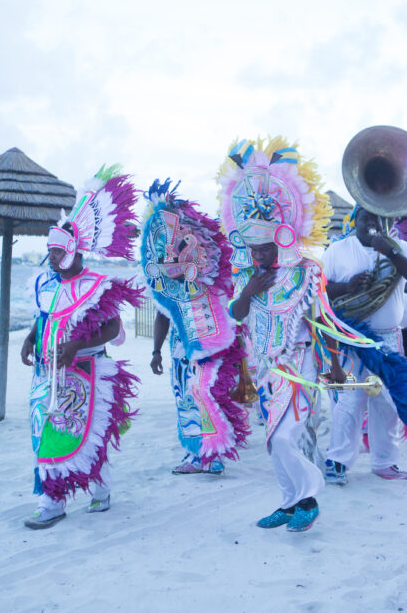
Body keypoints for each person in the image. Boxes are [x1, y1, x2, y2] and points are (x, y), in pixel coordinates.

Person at [218, 137, 362, 533]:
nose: (258, 255)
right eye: (253, 248)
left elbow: (322, 323)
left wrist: (333, 365)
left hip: (299, 363)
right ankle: (288, 502)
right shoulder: (246, 274)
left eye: (264, 248)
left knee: (286, 436)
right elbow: (235, 314)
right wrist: (250, 290)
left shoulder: (305, 272)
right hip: (263, 367)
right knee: (274, 439)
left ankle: (310, 498)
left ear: (281, 236)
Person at [19, 165, 142, 530]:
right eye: (49, 251)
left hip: (83, 377)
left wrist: (77, 345)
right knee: (45, 436)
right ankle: (72, 496)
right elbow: (44, 317)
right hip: (46, 375)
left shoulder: (96, 286)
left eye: (57, 251)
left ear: (73, 249)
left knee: (80, 436)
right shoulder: (46, 283)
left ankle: (58, 502)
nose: (52, 258)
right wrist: (29, 338)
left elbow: (113, 327)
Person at [140, 179, 250, 474]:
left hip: (207, 351)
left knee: (207, 396)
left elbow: (231, 320)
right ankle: (197, 455)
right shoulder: (167, 288)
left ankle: (212, 455)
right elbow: (162, 316)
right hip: (179, 352)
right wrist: (156, 352)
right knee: (185, 399)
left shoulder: (211, 286)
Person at [322, 206, 407, 484]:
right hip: (351, 335)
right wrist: (347, 288)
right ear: (355, 220)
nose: (372, 223)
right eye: (366, 218)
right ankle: (337, 461)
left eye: (378, 218)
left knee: (386, 401)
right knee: (350, 398)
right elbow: (320, 288)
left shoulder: (399, 247)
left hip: (388, 337)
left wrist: (391, 252)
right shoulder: (338, 250)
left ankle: (385, 462)